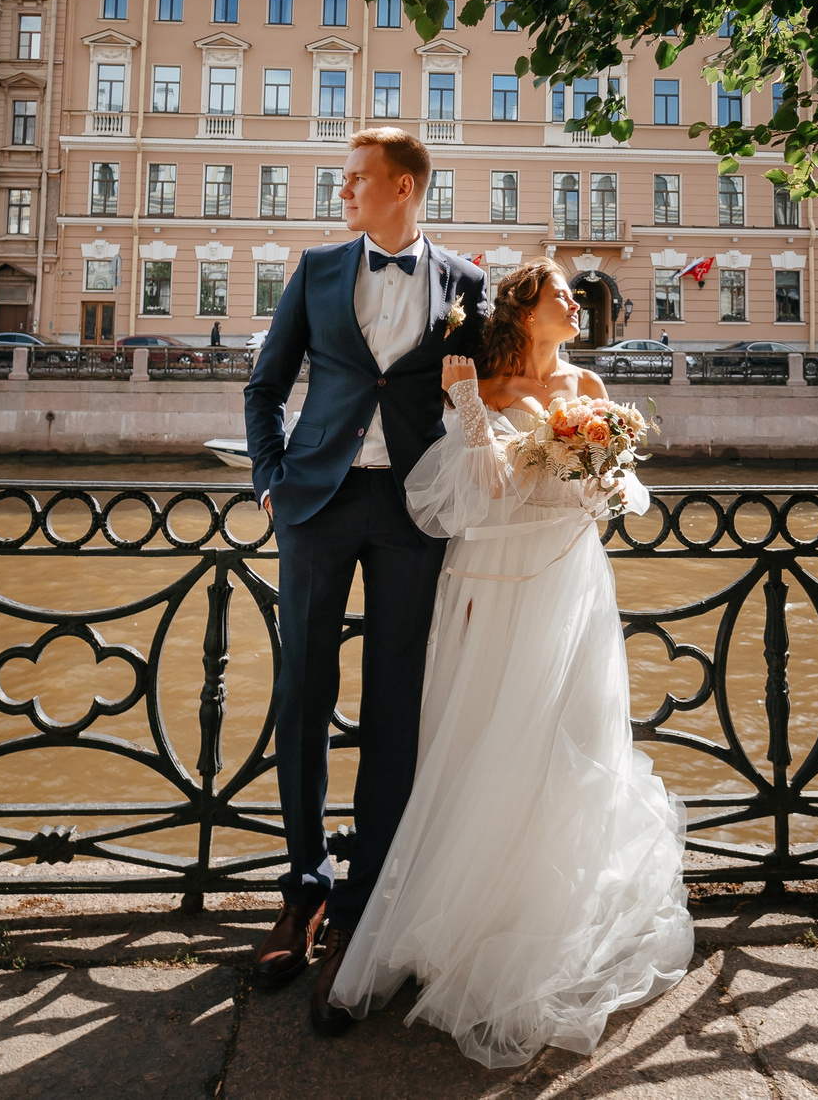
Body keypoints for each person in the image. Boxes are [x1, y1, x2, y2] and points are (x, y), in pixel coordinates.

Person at [329, 261, 691, 1065]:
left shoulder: (591, 383)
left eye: (575, 296)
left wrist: (597, 469)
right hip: (491, 585)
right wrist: (465, 405)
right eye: (562, 292)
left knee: (571, 740)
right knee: (483, 738)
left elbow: (617, 496)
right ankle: (460, 919)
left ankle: (549, 924)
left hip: (569, 579)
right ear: (525, 306)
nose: (576, 302)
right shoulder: (482, 379)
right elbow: (470, 492)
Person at [243, 128, 489, 1031]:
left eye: (356, 179)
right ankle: (302, 891)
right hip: (316, 502)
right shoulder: (313, 268)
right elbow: (263, 387)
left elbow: (485, 395)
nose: (342, 190)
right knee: (302, 690)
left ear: (406, 186)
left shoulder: (466, 282)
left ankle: (365, 910)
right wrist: (269, 480)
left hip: (414, 516)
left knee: (397, 707)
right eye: (343, 179)